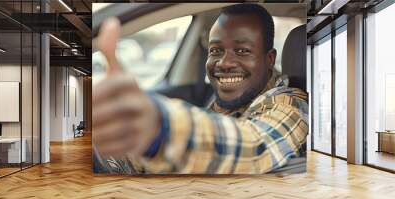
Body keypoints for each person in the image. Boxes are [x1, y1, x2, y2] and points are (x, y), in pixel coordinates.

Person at [92, 4, 308, 174]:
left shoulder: (290, 103)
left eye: (242, 50)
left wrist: (160, 126)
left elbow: (257, 146)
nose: (224, 62)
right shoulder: (226, 101)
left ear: (269, 59)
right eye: (215, 50)